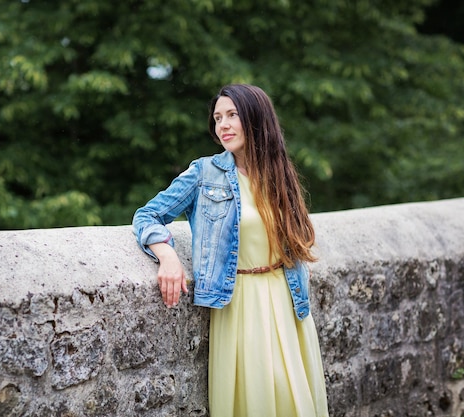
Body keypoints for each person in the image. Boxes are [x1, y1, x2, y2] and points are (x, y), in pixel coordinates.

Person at [132, 84, 329, 416]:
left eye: (232, 115)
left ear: (256, 118)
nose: (222, 125)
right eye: (217, 118)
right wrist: (166, 254)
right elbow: (147, 215)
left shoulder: (278, 173)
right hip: (240, 304)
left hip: (288, 300)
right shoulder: (204, 173)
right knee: (255, 400)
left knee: (294, 400)